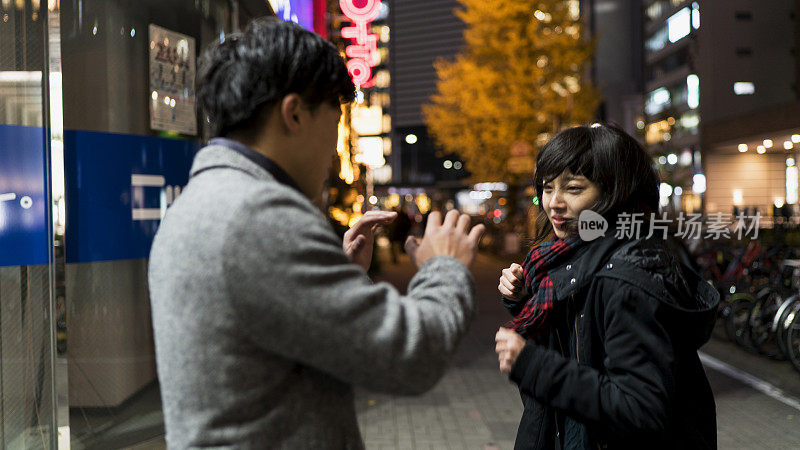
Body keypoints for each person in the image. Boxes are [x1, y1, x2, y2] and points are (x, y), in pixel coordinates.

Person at [148, 17, 485, 448]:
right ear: (294, 114)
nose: (334, 145)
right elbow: (409, 356)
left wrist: (338, 277)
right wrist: (444, 266)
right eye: (335, 119)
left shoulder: (199, 202)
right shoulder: (258, 215)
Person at [494, 124, 719, 450]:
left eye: (573, 188)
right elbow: (576, 352)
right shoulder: (568, 259)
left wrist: (534, 366)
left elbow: (641, 409)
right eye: (546, 188)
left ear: (616, 193)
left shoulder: (623, 278)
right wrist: (524, 300)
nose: (554, 203)